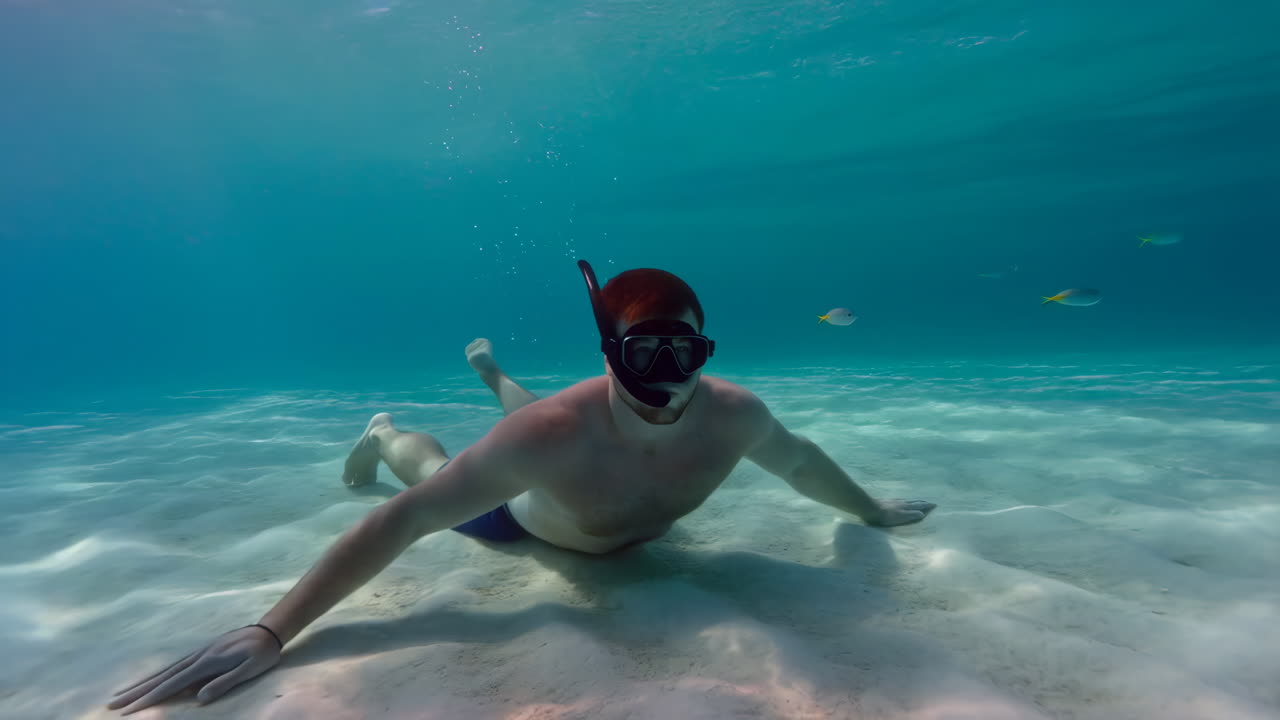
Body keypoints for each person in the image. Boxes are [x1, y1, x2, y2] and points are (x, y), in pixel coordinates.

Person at [108, 260, 936, 714]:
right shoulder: (553, 438)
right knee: (439, 466)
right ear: (610, 354)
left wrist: (867, 511)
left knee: (542, 419)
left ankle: (495, 373)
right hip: (527, 522)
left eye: (687, 355)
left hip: (584, 471)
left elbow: (798, 462)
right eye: (648, 356)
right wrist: (273, 629)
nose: (673, 381)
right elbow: (405, 522)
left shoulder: (734, 414)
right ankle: (385, 431)